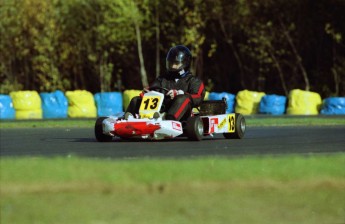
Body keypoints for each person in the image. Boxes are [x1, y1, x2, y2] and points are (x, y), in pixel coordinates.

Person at [125, 45, 205, 121]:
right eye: (171, 63)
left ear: (185, 63)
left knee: (182, 99)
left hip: (183, 115)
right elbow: (152, 88)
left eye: (176, 64)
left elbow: (197, 97)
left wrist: (179, 93)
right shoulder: (163, 79)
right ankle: (127, 119)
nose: (173, 66)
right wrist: (146, 93)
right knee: (136, 100)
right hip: (160, 111)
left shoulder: (194, 81)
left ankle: (168, 120)